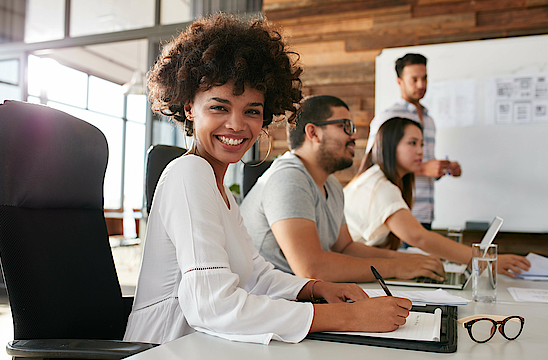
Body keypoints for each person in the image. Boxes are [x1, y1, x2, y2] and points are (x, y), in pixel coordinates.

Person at [123, 14, 412, 346]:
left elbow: (255, 273)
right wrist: (351, 317)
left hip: (208, 345)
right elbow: (213, 306)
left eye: (252, 111)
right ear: (189, 108)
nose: (237, 125)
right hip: (166, 348)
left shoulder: (221, 191)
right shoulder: (190, 174)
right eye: (219, 107)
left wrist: (314, 288)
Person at [240, 95, 446, 283]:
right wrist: (397, 266)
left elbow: (345, 248)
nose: (354, 136)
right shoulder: (287, 178)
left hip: (300, 299)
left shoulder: (331, 185)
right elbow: (311, 269)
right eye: (345, 126)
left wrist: (409, 260)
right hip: (270, 305)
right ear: (313, 133)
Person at [344, 117, 530, 276]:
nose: (420, 151)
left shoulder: (378, 178)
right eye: (412, 143)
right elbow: (419, 237)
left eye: (422, 144)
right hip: (347, 269)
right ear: (390, 146)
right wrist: (483, 259)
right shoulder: (380, 186)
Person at [366, 53, 460, 230]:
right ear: (399, 81)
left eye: (425, 78)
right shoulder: (388, 117)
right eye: (414, 79)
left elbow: (420, 162)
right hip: (397, 211)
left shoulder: (429, 120)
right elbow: (374, 162)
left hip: (426, 213)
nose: (421, 85)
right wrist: (424, 168)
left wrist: (442, 168)